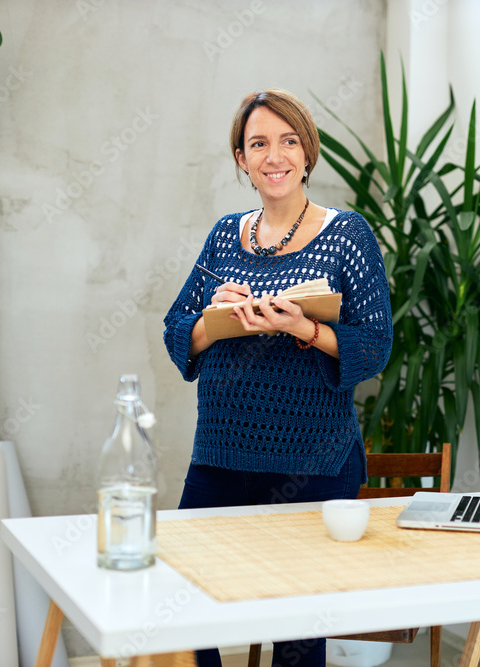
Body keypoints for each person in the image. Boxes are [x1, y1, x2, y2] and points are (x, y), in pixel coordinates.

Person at [162, 89, 393, 667]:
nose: (275, 155)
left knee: (295, 626)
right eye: (258, 143)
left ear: (307, 152)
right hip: (220, 452)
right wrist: (214, 318)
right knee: (186, 599)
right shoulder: (224, 235)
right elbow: (176, 330)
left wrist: (305, 328)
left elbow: (376, 344)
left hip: (311, 460)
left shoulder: (348, 235)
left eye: (288, 141)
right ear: (241, 158)